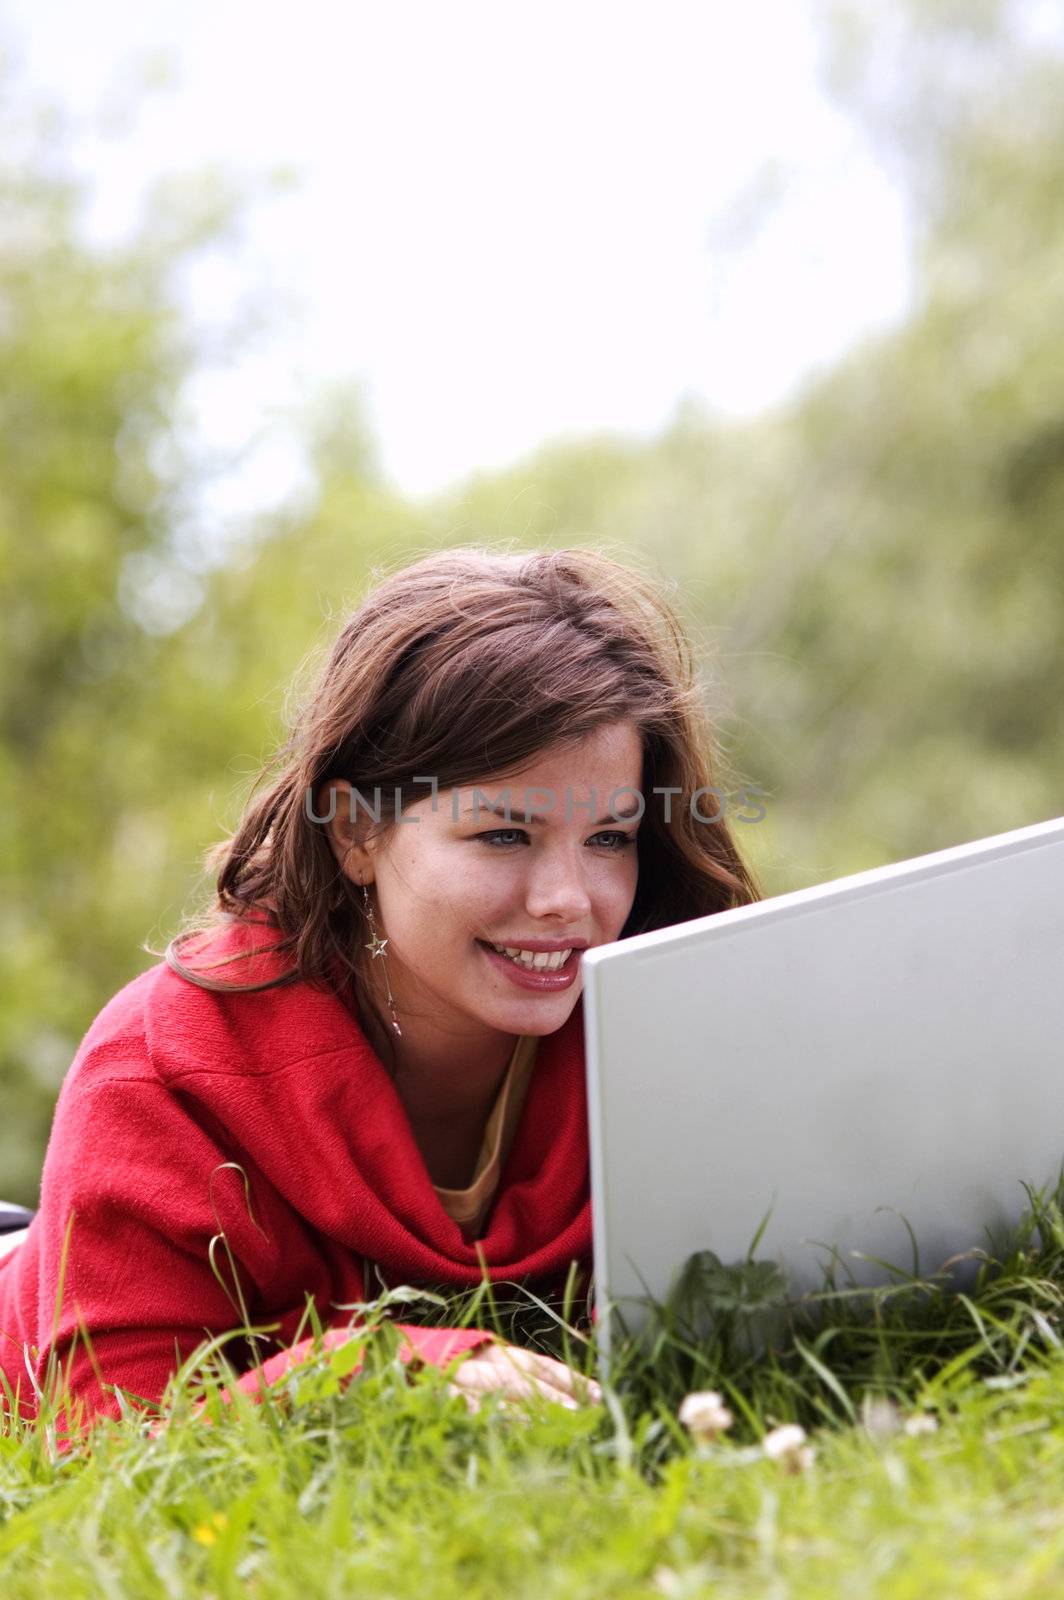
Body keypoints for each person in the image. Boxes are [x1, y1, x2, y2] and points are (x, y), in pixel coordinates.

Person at [0, 544, 761, 1425]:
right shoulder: (157, 1072)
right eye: (503, 836)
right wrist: (380, 1372)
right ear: (358, 833)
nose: (569, 903)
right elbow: (108, 1433)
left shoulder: (674, 1026)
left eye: (610, 838)